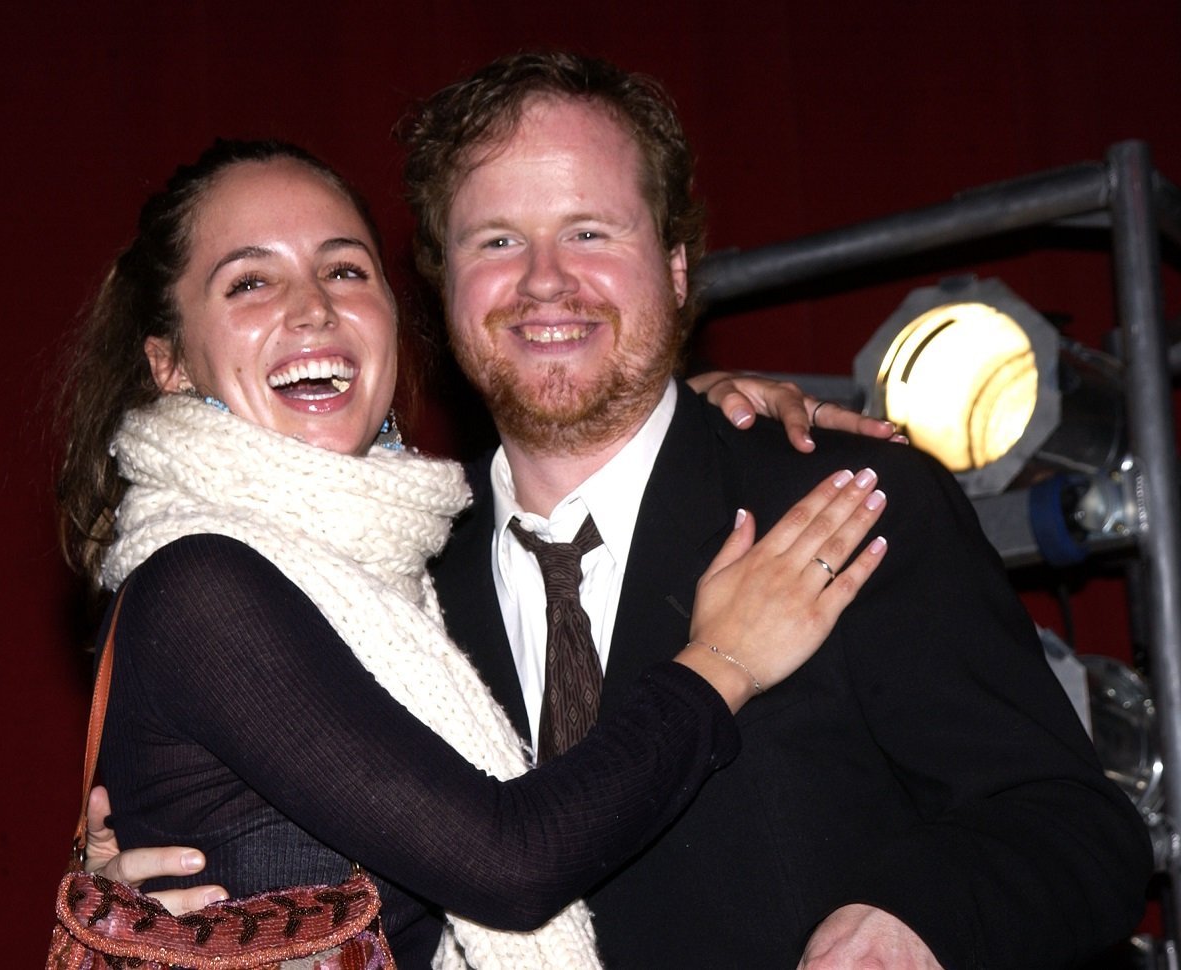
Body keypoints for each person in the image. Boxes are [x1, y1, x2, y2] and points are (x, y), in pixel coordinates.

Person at [84, 52, 1152, 969]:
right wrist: (141, 883)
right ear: (441, 288)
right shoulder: (388, 592)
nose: (548, 283)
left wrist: (913, 918)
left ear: (678, 269)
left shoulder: (831, 503)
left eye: (591, 231)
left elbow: (1079, 835)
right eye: (497, 241)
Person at [56, 137, 890, 969]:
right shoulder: (202, 585)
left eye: (345, 270)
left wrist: (680, 415)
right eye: (250, 281)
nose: (312, 309)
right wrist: (726, 658)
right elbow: (509, 864)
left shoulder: (410, 578)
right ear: (167, 362)